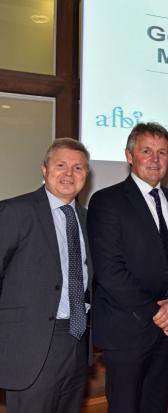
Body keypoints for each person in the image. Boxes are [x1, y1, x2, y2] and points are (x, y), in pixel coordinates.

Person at [88, 122, 168, 413]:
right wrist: (157, 311)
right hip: (127, 330)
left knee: (156, 406)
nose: (155, 159)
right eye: (146, 151)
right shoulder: (107, 200)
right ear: (129, 155)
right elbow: (109, 271)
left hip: (167, 332)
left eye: (162, 152)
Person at [0, 138, 92, 413]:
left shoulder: (89, 219)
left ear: (86, 175)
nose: (69, 174)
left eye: (78, 168)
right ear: (44, 169)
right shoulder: (14, 212)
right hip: (30, 344)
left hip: (77, 340)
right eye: (61, 165)